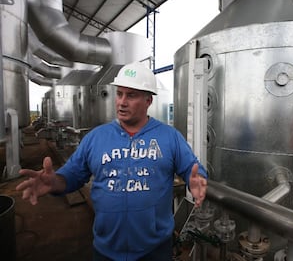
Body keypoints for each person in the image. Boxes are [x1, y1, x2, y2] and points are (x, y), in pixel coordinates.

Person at [16, 61, 208, 261]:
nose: (122, 102)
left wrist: (197, 179)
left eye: (131, 95)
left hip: (155, 250)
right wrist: (54, 181)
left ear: (148, 100)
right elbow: (72, 174)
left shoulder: (169, 137)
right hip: (106, 250)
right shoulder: (96, 137)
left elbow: (192, 168)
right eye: (119, 94)